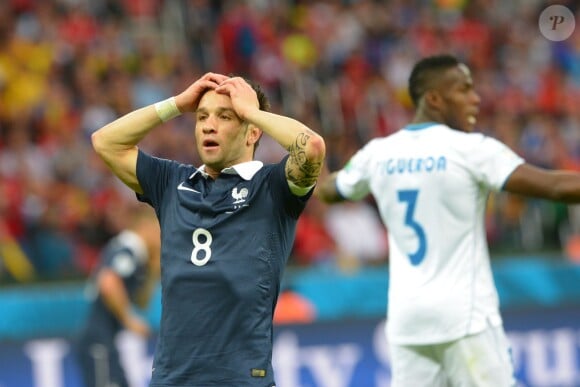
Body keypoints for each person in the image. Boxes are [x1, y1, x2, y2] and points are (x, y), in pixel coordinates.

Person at [316, 54, 580, 386]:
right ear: (435, 99)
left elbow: (330, 190)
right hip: (465, 319)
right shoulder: (471, 150)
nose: (476, 98)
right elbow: (555, 186)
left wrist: (307, 170)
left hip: (408, 321)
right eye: (464, 89)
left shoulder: (378, 154)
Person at [91, 72, 325, 386]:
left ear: (252, 132)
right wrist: (176, 104)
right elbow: (105, 142)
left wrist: (253, 111)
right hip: (172, 379)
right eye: (202, 116)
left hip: (240, 379)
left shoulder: (271, 188)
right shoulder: (172, 182)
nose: (208, 125)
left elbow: (311, 147)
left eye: (226, 116)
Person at [75, 204, 161, 387]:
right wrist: (129, 319)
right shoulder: (128, 247)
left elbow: (142, 302)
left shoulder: (139, 256)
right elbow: (108, 282)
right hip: (98, 340)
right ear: (146, 226)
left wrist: (153, 269)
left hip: (108, 341)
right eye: (159, 228)